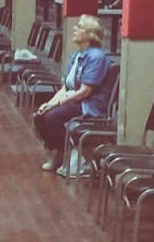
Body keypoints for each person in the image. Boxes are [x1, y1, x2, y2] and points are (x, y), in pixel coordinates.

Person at [32, 14, 109, 173]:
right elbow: (66, 87)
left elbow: (85, 91)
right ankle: (60, 153)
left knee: (51, 118)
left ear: (90, 34)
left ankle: (65, 153)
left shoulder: (96, 57)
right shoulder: (77, 55)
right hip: (74, 99)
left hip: (88, 104)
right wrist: (49, 103)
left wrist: (57, 105)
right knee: (39, 116)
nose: (74, 28)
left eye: (80, 27)